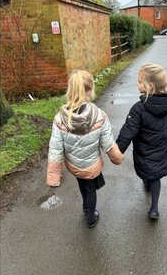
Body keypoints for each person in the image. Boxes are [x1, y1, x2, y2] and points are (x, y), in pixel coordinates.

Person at [46, 69, 124, 227]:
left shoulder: (60, 118)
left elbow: (55, 150)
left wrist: (53, 176)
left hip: (74, 165)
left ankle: (85, 206)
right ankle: (91, 217)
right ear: (89, 90)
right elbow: (108, 144)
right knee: (91, 190)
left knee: (82, 184)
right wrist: (117, 157)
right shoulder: (99, 115)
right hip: (92, 164)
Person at [115, 63, 167, 220]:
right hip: (161, 149)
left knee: (147, 170)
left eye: (139, 81)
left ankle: (147, 182)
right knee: (155, 176)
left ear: (150, 86)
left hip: (144, 150)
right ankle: (154, 208)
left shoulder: (138, 108)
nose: (137, 84)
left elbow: (128, 132)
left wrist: (117, 150)